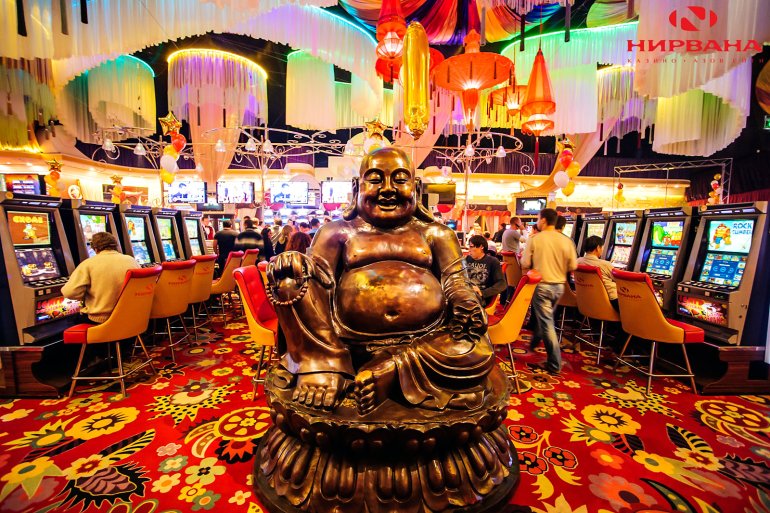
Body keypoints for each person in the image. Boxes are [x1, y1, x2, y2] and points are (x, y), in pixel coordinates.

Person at [267, 147, 492, 412]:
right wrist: (295, 262)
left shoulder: (436, 233)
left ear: (416, 187)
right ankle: (325, 366)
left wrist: (464, 300)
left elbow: (456, 280)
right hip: (347, 340)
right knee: (288, 281)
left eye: (399, 179)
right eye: (375, 179)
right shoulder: (337, 231)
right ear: (356, 187)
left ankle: (390, 370)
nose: (387, 189)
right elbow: (317, 279)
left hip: (426, 339)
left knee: (477, 351)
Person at [521, 208, 578, 375]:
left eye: (538, 219)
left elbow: (525, 262)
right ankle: (534, 342)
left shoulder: (536, 239)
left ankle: (554, 364)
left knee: (547, 323)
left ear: (544, 220)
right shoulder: (566, 241)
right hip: (559, 286)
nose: (537, 222)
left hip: (542, 285)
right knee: (546, 318)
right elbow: (573, 266)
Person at [61, 232, 140, 323]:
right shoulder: (131, 260)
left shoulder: (88, 264)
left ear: (95, 248)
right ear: (115, 245)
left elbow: (69, 293)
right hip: (131, 316)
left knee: (69, 320)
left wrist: (86, 294)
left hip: (102, 320)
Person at [577, 235, 618, 310]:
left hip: (588, 299)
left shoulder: (578, 261)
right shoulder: (605, 264)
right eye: (602, 247)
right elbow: (619, 279)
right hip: (609, 301)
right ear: (598, 248)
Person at [465, 235, 506, 307]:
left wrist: (483, 293)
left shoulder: (492, 261)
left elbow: (501, 284)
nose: (469, 249)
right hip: (466, 293)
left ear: (481, 247)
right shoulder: (467, 259)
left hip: (480, 298)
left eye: (471, 247)